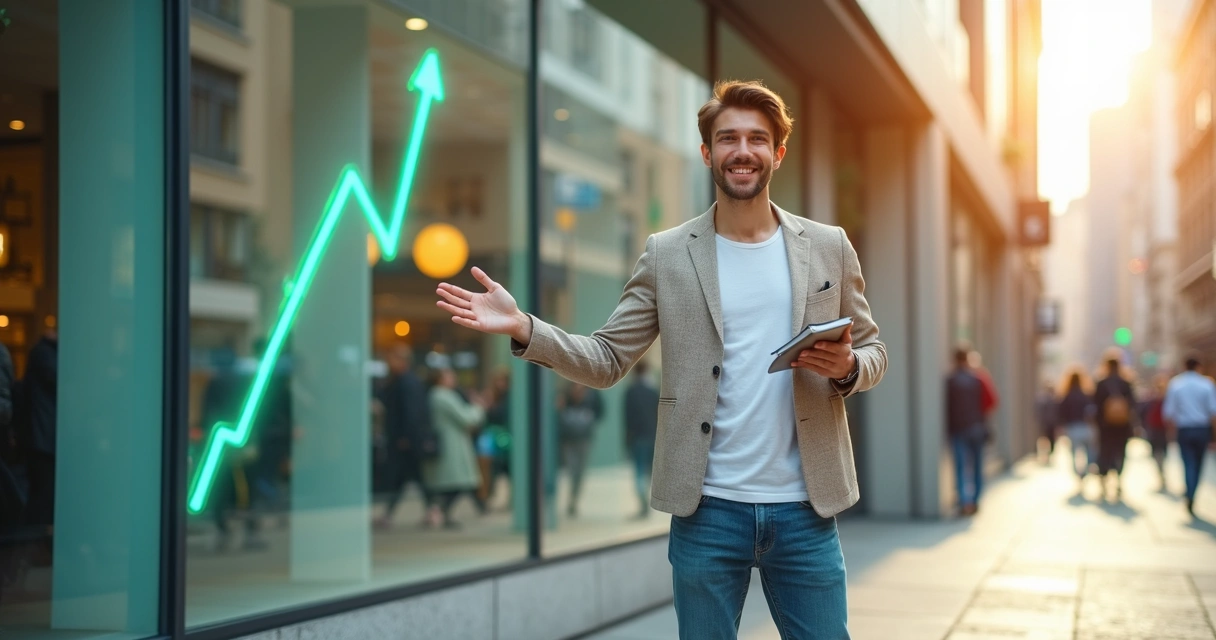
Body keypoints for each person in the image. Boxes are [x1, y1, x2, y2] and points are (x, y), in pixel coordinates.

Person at [435, 79, 886, 639]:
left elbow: (873, 351)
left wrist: (847, 369)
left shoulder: (828, 246)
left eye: (756, 139)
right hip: (708, 510)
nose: (742, 151)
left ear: (778, 153)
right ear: (707, 153)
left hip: (805, 507)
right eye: (727, 139)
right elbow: (606, 358)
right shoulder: (667, 253)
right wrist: (526, 327)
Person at [375, 347, 433, 529]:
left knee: (409, 477)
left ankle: (433, 510)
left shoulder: (407, 382)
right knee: (405, 478)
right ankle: (432, 510)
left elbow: (412, 412)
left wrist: (407, 437)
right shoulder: (399, 381)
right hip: (403, 439)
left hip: (405, 440)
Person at [423, 367, 486, 529]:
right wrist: (478, 407)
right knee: (459, 483)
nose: (453, 379)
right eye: (449, 376)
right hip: (452, 445)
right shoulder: (443, 396)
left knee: (456, 484)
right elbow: (466, 418)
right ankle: (440, 511)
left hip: (452, 443)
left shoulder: (435, 395)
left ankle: (441, 511)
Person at [1163, 357, 1216, 516]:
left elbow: (1168, 412)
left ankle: (1189, 492)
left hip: (1184, 429)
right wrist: (1213, 435)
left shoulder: (1176, 384)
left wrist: (1171, 433)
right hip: (1202, 429)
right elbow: (1213, 412)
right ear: (1198, 366)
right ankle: (1192, 493)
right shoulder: (1206, 384)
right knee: (1198, 464)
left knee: (1188, 463)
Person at [946, 347, 988, 516]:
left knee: (961, 467)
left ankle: (965, 501)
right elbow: (990, 401)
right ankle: (975, 500)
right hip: (976, 428)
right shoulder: (978, 379)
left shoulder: (950, 381)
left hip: (958, 429)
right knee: (977, 466)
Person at [556, 382, 603, 518]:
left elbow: (600, 411)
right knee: (572, 470)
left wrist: (590, 417)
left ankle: (573, 499)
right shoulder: (565, 392)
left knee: (579, 472)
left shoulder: (592, 393)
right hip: (569, 439)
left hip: (584, 439)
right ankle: (571, 498)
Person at [1093, 354, 1135, 500]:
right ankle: (1118, 478)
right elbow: (1132, 405)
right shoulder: (1126, 383)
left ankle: (1104, 480)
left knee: (1105, 452)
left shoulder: (1101, 383)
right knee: (1120, 452)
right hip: (1122, 425)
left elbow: (1096, 406)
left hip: (1105, 426)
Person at [624, 359, 660, 518]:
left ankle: (644, 504)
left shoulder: (630, 392)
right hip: (652, 435)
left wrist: (626, 439)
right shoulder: (653, 392)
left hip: (637, 437)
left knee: (639, 471)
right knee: (649, 471)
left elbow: (627, 418)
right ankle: (648, 502)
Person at [1055, 368, 1095, 490]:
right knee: (1089, 453)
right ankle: (1085, 471)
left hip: (1072, 428)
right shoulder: (1086, 395)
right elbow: (1092, 412)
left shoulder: (1066, 396)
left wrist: (1061, 428)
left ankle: (1078, 473)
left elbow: (1061, 414)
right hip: (1085, 427)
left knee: (1073, 454)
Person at [1141, 373, 1171, 489]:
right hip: (1155, 429)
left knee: (1160, 452)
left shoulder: (1164, 400)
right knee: (1158, 452)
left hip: (1160, 429)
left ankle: (1161, 471)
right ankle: (1161, 471)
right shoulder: (1153, 400)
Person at [1035, 380, 1058, 463]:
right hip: (1048, 423)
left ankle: (1047, 455)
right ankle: (1045, 455)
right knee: (1046, 439)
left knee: (1048, 439)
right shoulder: (1045, 399)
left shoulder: (1053, 399)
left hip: (1049, 423)